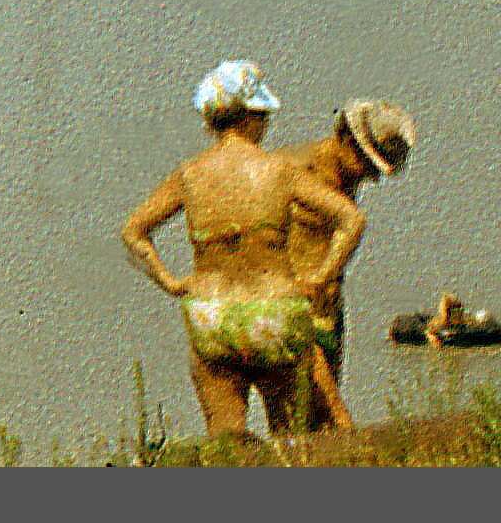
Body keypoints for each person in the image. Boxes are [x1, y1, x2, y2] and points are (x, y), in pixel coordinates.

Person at [120, 59, 368, 440]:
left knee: (226, 439)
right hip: (274, 312)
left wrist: (170, 282)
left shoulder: (190, 174)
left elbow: (134, 232)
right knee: (290, 440)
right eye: (264, 116)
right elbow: (351, 220)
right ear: (252, 116)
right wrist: (321, 276)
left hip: (211, 314)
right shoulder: (280, 170)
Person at [287, 97, 417, 406]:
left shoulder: (348, 176)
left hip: (329, 308)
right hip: (291, 307)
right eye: (369, 164)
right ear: (346, 138)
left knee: (321, 423)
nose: (372, 177)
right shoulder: (293, 170)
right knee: (319, 412)